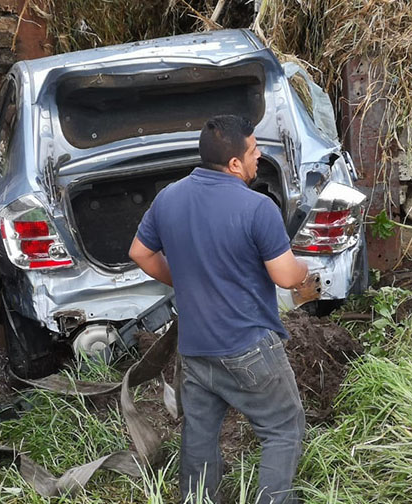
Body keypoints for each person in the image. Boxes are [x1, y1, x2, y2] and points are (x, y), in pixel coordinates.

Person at [129, 115, 309, 504]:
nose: (259, 155)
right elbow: (284, 276)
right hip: (248, 346)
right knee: (283, 427)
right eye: (252, 150)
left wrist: (186, 280)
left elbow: (139, 253)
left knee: (199, 434)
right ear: (233, 164)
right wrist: (303, 271)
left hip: (195, 348)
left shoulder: (169, 198)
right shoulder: (257, 207)